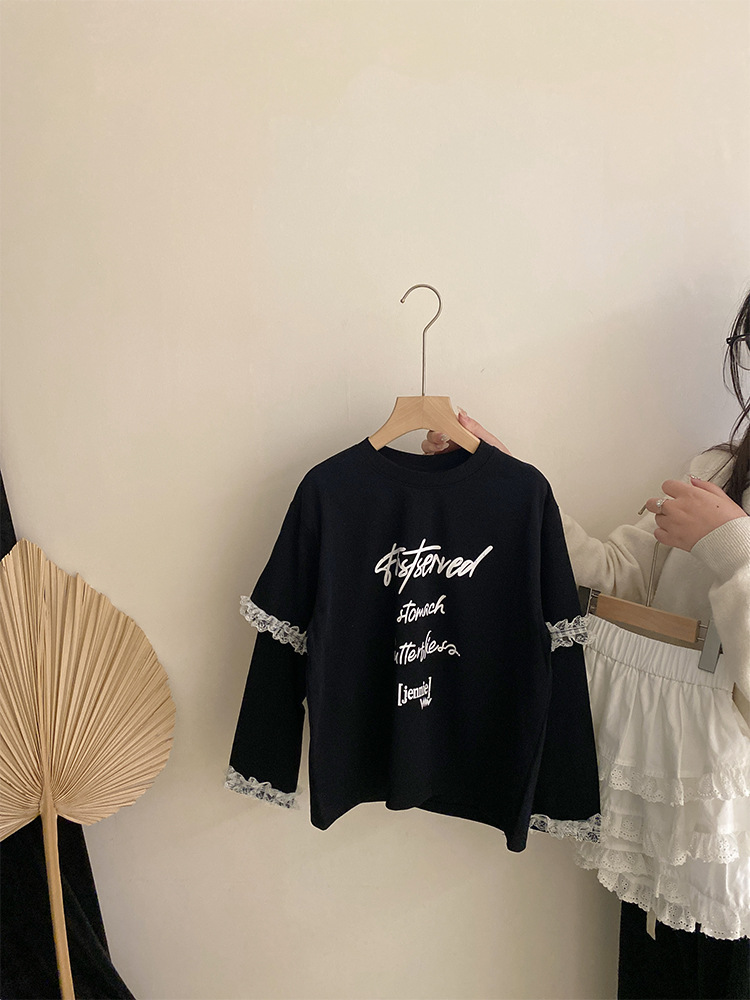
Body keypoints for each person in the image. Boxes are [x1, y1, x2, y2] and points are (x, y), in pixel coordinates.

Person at [422, 289, 750, 999]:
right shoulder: (718, 470)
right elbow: (618, 578)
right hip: (663, 815)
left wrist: (731, 545)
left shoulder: (722, 506)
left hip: (736, 852)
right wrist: (511, 486)